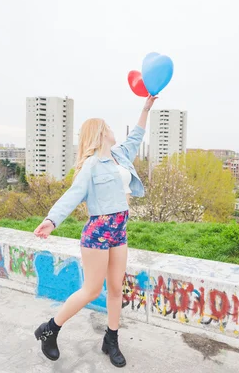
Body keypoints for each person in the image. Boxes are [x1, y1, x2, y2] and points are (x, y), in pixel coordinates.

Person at [33, 95, 158, 368]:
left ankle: (111, 339)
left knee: (115, 288)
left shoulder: (120, 155)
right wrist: (51, 220)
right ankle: (49, 329)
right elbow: (72, 194)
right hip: (98, 232)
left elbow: (136, 135)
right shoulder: (91, 165)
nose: (114, 130)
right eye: (109, 127)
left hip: (119, 231)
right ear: (100, 133)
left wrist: (146, 108)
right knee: (91, 290)